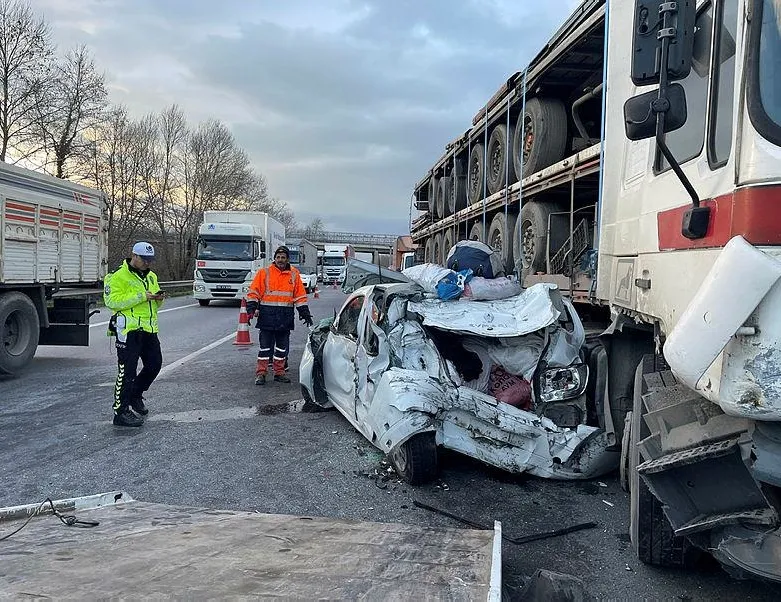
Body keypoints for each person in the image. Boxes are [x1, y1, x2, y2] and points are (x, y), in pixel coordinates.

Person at [103, 241, 166, 427]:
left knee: (155, 365)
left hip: (148, 329)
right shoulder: (117, 276)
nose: (148, 263)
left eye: (150, 260)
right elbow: (112, 302)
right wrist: (141, 296)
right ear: (134, 256)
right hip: (128, 331)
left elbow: (153, 304)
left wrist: (158, 298)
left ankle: (135, 394)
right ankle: (120, 412)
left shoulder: (151, 276)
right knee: (126, 372)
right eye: (144, 260)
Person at [246, 246, 313, 385]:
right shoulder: (264, 273)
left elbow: (300, 296)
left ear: (287, 259)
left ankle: (279, 372)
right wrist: (251, 310)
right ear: (274, 259)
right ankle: (261, 374)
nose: (280, 260)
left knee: (281, 348)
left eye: (283, 258)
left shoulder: (294, 274)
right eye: (278, 257)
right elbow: (254, 292)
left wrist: (304, 313)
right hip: (267, 317)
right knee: (265, 348)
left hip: (284, 318)